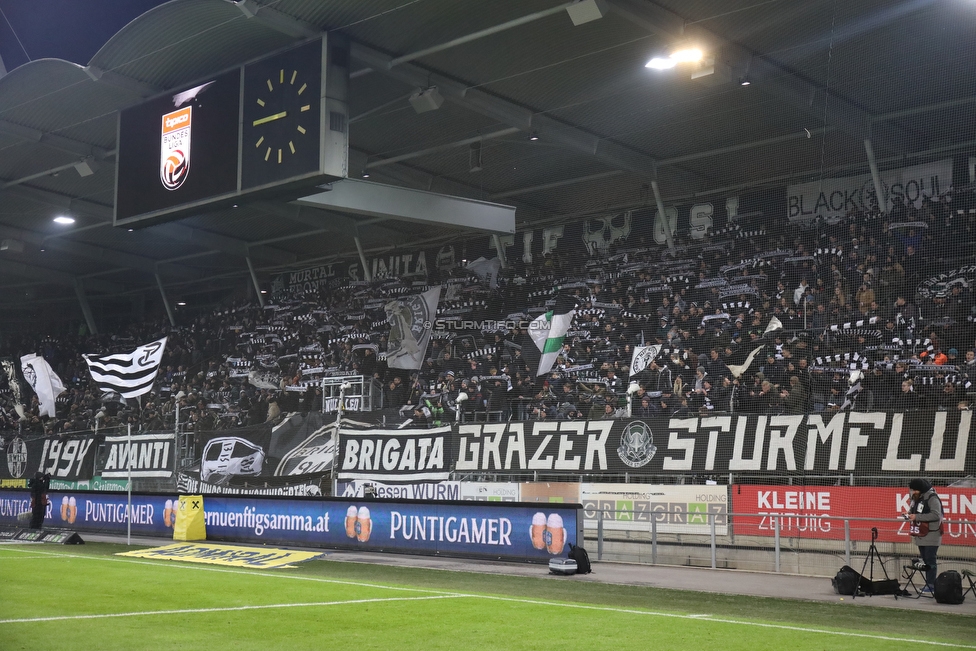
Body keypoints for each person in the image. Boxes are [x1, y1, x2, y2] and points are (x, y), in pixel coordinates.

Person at [904, 478, 943, 594]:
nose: (913, 492)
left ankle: (931, 585)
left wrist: (917, 517)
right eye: (912, 490)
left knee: (930, 560)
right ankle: (928, 583)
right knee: (925, 560)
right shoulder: (915, 498)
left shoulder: (932, 497)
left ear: (921, 489)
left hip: (932, 534)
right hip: (920, 533)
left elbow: (936, 515)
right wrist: (909, 514)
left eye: (915, 490)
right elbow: (913, 511)